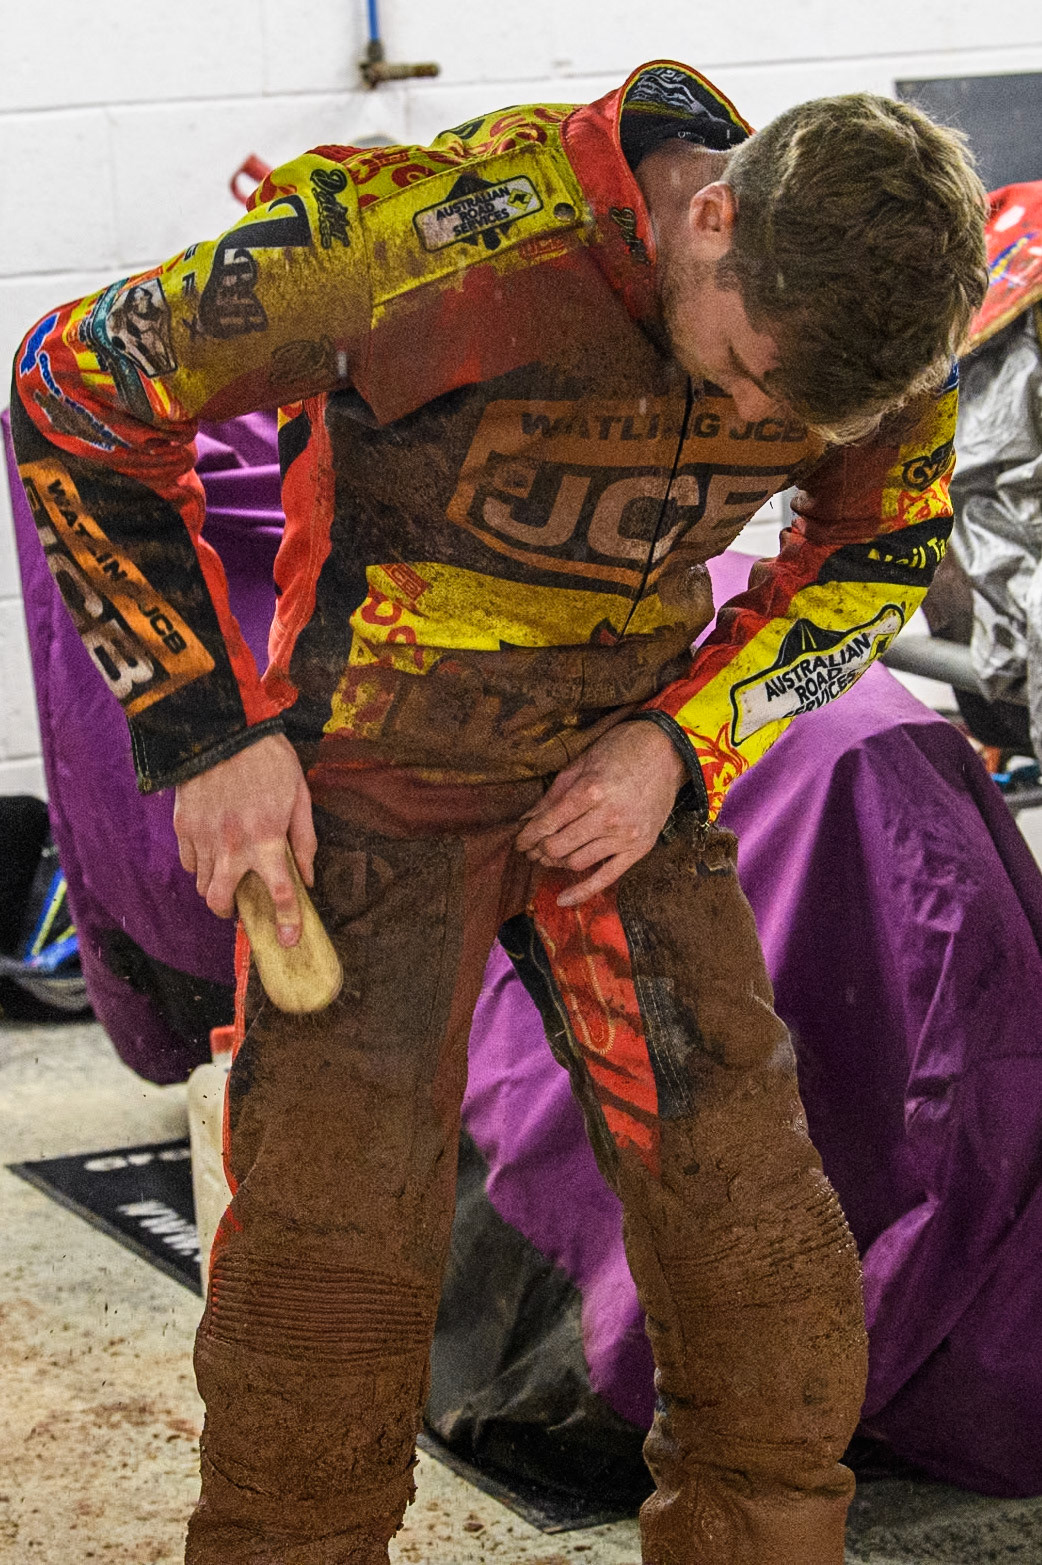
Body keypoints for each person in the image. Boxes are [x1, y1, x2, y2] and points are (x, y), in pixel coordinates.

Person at [10, 59, 987, 1565]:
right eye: (742, 371)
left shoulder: (865, 329)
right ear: (710, 213)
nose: (742, 416)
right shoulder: (412, 233)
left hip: (612, 789)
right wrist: (206, 731)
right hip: (379, 786)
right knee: (327, 1277)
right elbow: (69, 391)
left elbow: (877, 553)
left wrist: (681, 739)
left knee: (760, 1246)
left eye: (780, 415)